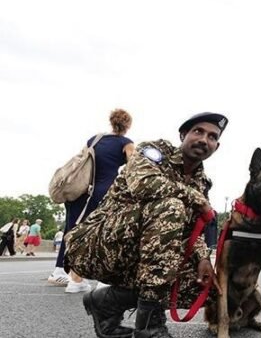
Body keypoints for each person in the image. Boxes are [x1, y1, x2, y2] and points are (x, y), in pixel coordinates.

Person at [64, 112, 227, 338]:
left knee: (202, 286)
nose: (203, 139)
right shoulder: (153, 151)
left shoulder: (202, 181)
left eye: (211, 136)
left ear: (216, 147)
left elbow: (192, 229)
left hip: (142, 252)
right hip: (98, 245)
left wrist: (202, 258)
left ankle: (106, 302)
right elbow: (145, 184)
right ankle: (150, 328)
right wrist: (198, 200)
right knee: (171, 207)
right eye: (198, 131)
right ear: (183, 135)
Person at [49, 109, 135, 291]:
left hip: (81, 191)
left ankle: (75, 280)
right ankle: (103, 280)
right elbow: (134, 167)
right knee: (106, 233)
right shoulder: (126, 143)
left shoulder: (94, 139)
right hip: (106, 191)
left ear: (111, 122)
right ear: (127, 125)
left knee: (76, 233)